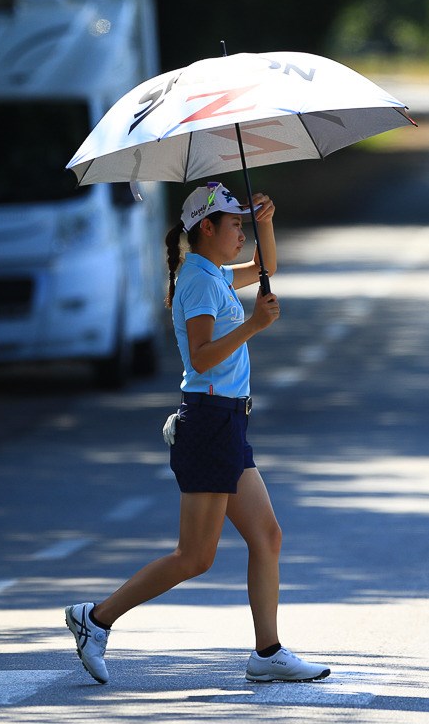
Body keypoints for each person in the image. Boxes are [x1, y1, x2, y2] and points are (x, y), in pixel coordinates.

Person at [64, 181, 330, 685]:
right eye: (235, 224)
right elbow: (203, 356)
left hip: (227, 422)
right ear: (206, 228)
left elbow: (266, 269)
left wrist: (267, 223)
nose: (241, 234)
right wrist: (253, 326)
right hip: (209, 423)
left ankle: (268, 652)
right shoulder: (200, 281)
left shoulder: (211, 272)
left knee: (267, 536)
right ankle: (95, 619)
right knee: (195, 557)